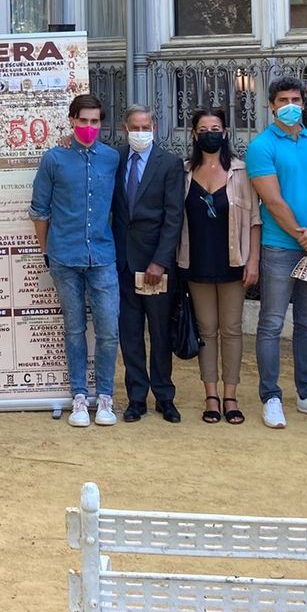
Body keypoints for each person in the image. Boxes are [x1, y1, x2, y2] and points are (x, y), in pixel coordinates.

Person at [246, 77, 307, 429]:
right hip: (280, 248)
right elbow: (272, 201)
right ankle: (271, 396)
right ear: (271, 105)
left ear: (305, 102)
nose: (290, 103)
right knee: (271, 323)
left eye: (296, 98)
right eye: (283, 98)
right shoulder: (261, 146)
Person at [30, 93, 122, 428]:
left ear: (101, 123)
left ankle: (107, 397)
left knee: (109, 330)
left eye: (95, 121)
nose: (88, 126)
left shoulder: (112, 158)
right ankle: (80, 397)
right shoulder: (53, 159)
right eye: (82, 120)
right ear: (71, 120)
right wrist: (46, 251)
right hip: (64, 256)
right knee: (74, 329)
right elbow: (39, 210)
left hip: (102, 255)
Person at [178, 107, 259, 425]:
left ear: (225, 132)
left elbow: (254, 219)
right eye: (203, 128)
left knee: (232, 330)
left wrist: (253, 260)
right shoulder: (183, 171)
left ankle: (231, 396)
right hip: (195, 261)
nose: (210, 133)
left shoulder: (241, 171)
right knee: (206, 331)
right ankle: (210, 395)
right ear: (194, 135)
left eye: (216, 127)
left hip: (233, 263)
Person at [110, 104, 185, 423]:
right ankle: (136, 397)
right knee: (129, 333)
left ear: (154, 127)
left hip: (155, 264)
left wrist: (160, 261)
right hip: (122, 261)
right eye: (134, 127)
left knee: (159, 331)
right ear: (125, 129)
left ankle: (164, 396)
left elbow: (173, 217)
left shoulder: (168, 163)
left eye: (146, 127)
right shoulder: (115, 159)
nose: (140, 132)